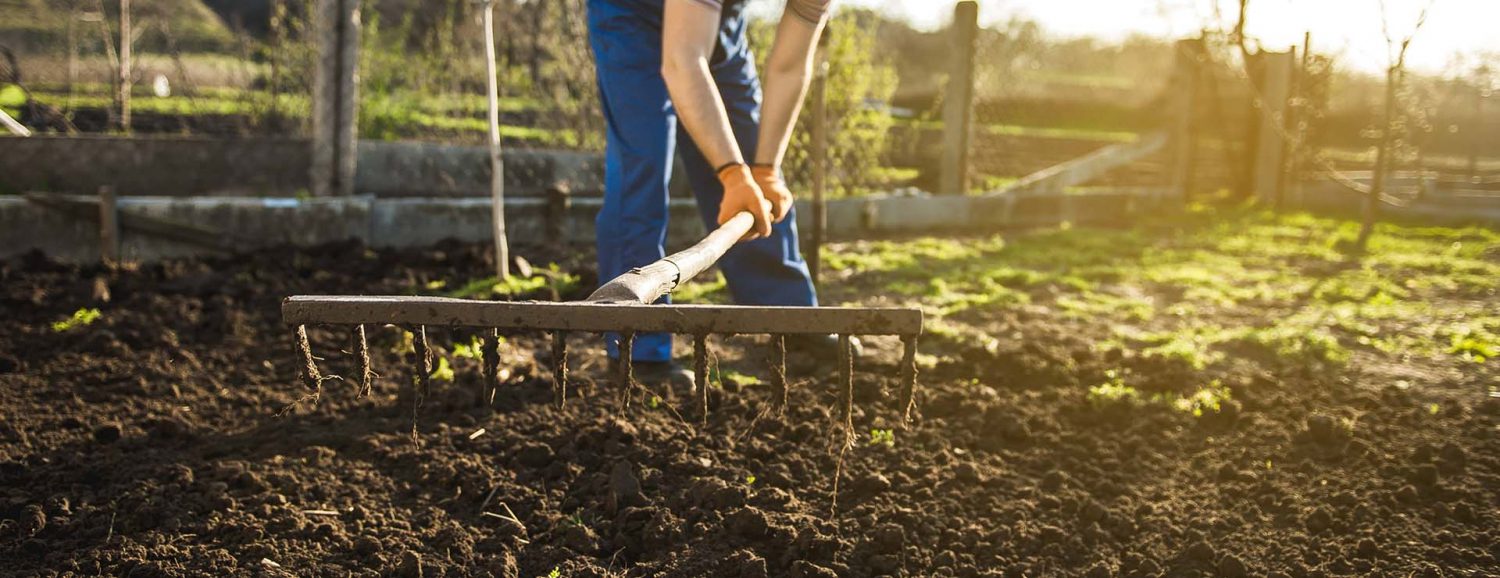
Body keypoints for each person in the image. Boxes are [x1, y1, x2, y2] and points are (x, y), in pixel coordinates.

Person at [587, 0, 853, 389]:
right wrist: (732, 175)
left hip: (715, 17)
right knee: (642, 160)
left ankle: (792, 321)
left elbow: (790, 65)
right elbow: (682, 60)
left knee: (750, 155)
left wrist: (763, 169)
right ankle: (638, 351)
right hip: (630, 13)